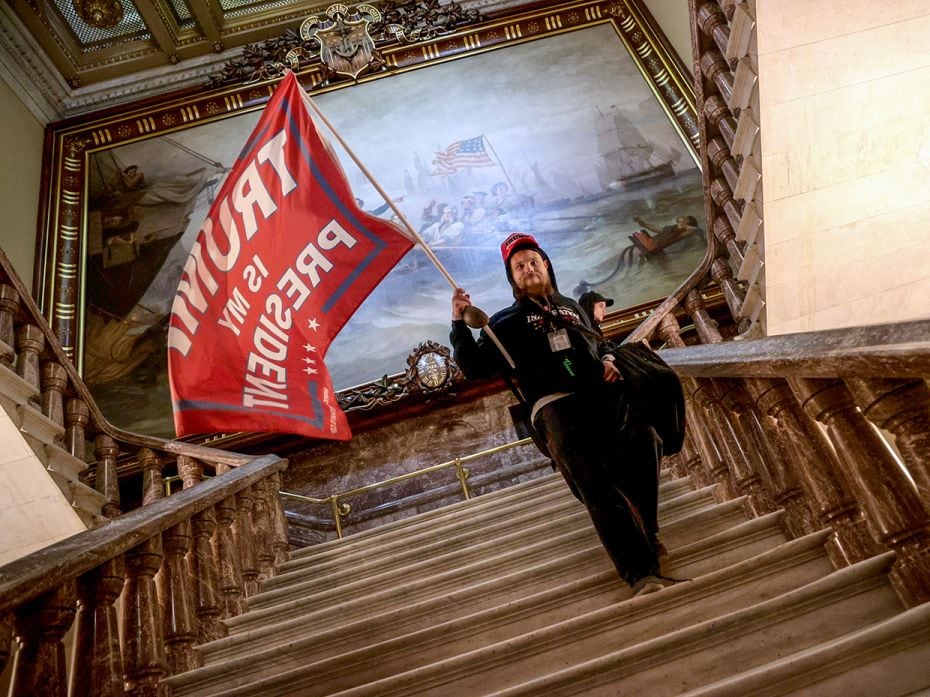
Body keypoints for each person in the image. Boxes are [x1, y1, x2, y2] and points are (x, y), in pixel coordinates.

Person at [450, 233, 667, 597]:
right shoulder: (502, 323)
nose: (528, 268)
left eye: (533, 261)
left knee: (647, 440)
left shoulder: (572, 306)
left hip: (601, 397)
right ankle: (641, 571)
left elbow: (598, 342)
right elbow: (473, 367)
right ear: (513, 278)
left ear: (546, 264)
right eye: (519, 267)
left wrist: (610, 359)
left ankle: (645, 521)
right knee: (593, 482)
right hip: (554, 406)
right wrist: (458, 323)